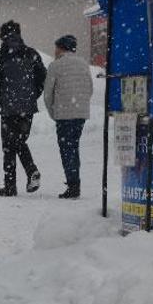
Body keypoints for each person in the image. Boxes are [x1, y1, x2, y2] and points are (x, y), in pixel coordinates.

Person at [0, 21, 47, 196]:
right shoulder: (32, 54)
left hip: (8, 107)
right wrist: (31, 96)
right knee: (19, 141)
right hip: (27, 108)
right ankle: (30, 173)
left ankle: (11, 185)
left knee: (9, 145)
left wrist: (0, 99)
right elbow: (42, 78)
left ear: (2, 36)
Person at [43, 34, 93, 199]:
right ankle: (74, 182)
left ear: (61, 48)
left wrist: (53, 113)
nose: (55, 51)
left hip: (64, 114)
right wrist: (82, 105)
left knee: (67, 149)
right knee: (74, 146)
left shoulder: (55, 66)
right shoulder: (84, 64)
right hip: (80, 113)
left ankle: (73, 185)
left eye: (56, 47)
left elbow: (48, 95)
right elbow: (90, 88)